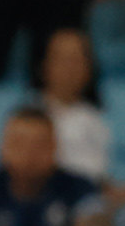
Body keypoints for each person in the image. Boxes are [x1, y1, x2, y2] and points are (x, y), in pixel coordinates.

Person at [36, 29, 110, 188]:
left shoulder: (96, 120)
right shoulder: (27, 116)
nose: (69, 68)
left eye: (76, 60)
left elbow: (99, 181)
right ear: (44, 65)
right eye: (62, 59)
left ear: (88, 69)